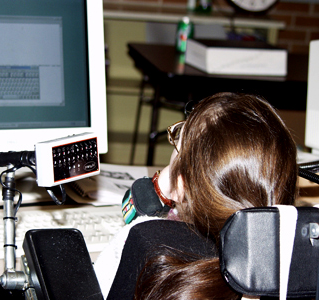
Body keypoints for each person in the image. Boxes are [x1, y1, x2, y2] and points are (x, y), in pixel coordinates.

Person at [94, 92, 298, 300]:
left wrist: (161, 188)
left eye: (177, 142)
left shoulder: (146, 241)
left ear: (181, 183)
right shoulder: (295, 268)